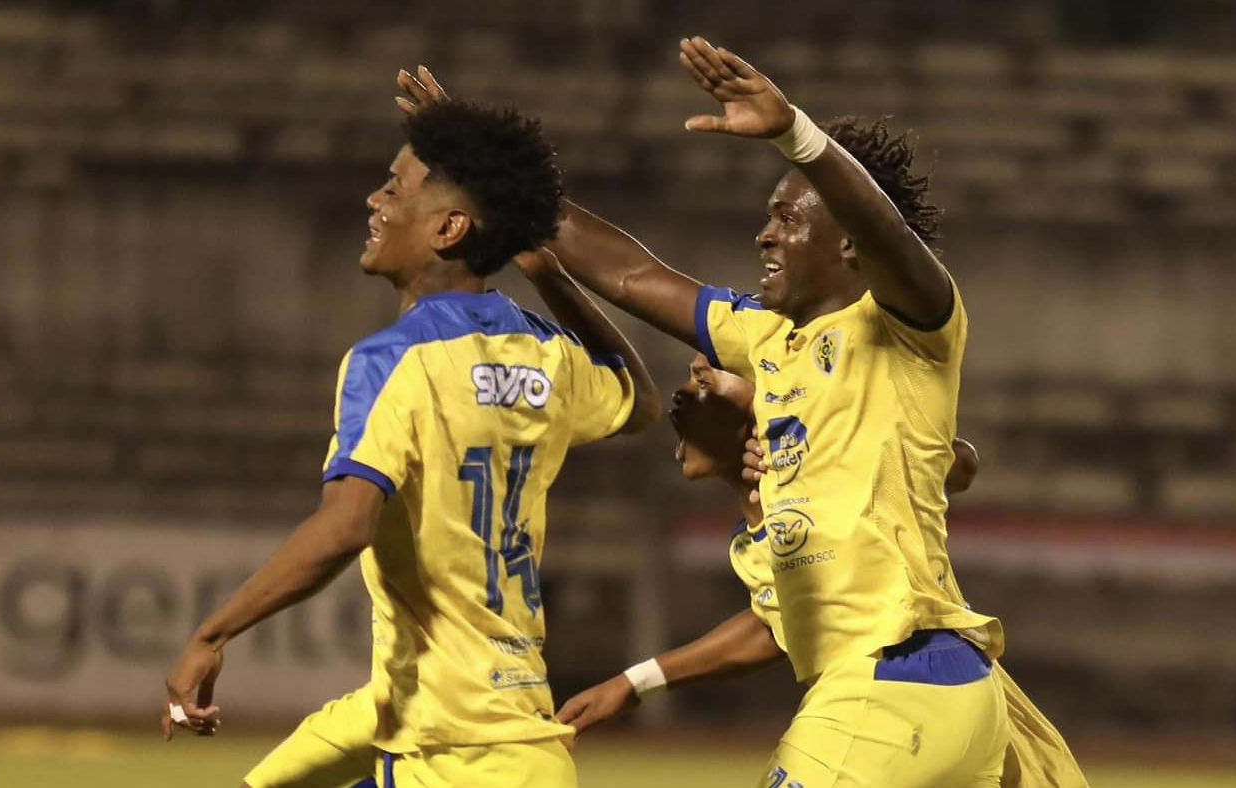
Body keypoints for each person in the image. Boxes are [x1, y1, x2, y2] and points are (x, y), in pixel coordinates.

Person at [399, 35, 1007, 786]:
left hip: (892, 687)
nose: (765, 233)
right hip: (926, 693)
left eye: (787, 219)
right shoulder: (766, 339)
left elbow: (888, 234)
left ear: (850, 245)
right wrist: (483, 168)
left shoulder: (913, 320)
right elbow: (630, 274)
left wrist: (798, 135)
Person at [160, 99, 661, 788]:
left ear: (449, 228)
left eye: (395, 189)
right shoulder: (547, 355)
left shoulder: (392, 360)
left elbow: (346, 526)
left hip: (456, 750)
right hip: (472, 724)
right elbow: (639, 400)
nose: (375, 200)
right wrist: (549, 277)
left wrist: (210, 634)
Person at [557, 356, 1089, 788]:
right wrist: (635, 682)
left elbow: (960, 461)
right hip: (949, 698)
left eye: (703, 379)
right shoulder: (759, 533)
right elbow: (772, 628)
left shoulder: (824, 471)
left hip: (901, 683)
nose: (685, 393)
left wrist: (796, 419)